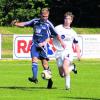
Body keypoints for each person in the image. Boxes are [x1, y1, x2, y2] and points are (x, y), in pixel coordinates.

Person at [14, 8, 65, 89]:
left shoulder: (48, 24)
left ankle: (50, 80)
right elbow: (25, 24)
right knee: (34, 60)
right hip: (35, 45)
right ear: (40, 15)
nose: (45, 18)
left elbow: (55, 35)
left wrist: (61, 43)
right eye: (44, 16)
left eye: (47, 16)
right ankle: (34, 78)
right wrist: (16, 24)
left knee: (45, 64)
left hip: (43, 47)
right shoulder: (35, 21)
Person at [54, 12, 81, 90]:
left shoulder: (73, 32)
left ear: (71, 21)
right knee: (62, 74)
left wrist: (78, 53)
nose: (66, 20)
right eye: (65, 18)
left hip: (68, 51)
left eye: (68, 19)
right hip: (59, 52)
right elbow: (51, 35)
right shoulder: (57, 28)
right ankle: (72, 67)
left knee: (65, 66)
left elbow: (76, 44)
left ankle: (67, 86)